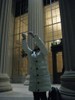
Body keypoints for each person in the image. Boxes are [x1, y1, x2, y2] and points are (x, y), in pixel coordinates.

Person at [22, 32, 51, 100]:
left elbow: (42, 46)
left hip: (42, 79)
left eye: (37, 44)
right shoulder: (31, 53)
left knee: (43, 97)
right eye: (35, 44)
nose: (36, 45)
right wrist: (24, 39)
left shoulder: (43, 52)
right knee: (36, 97)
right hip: (34, 79)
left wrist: (34, 37)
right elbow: (25, 48)